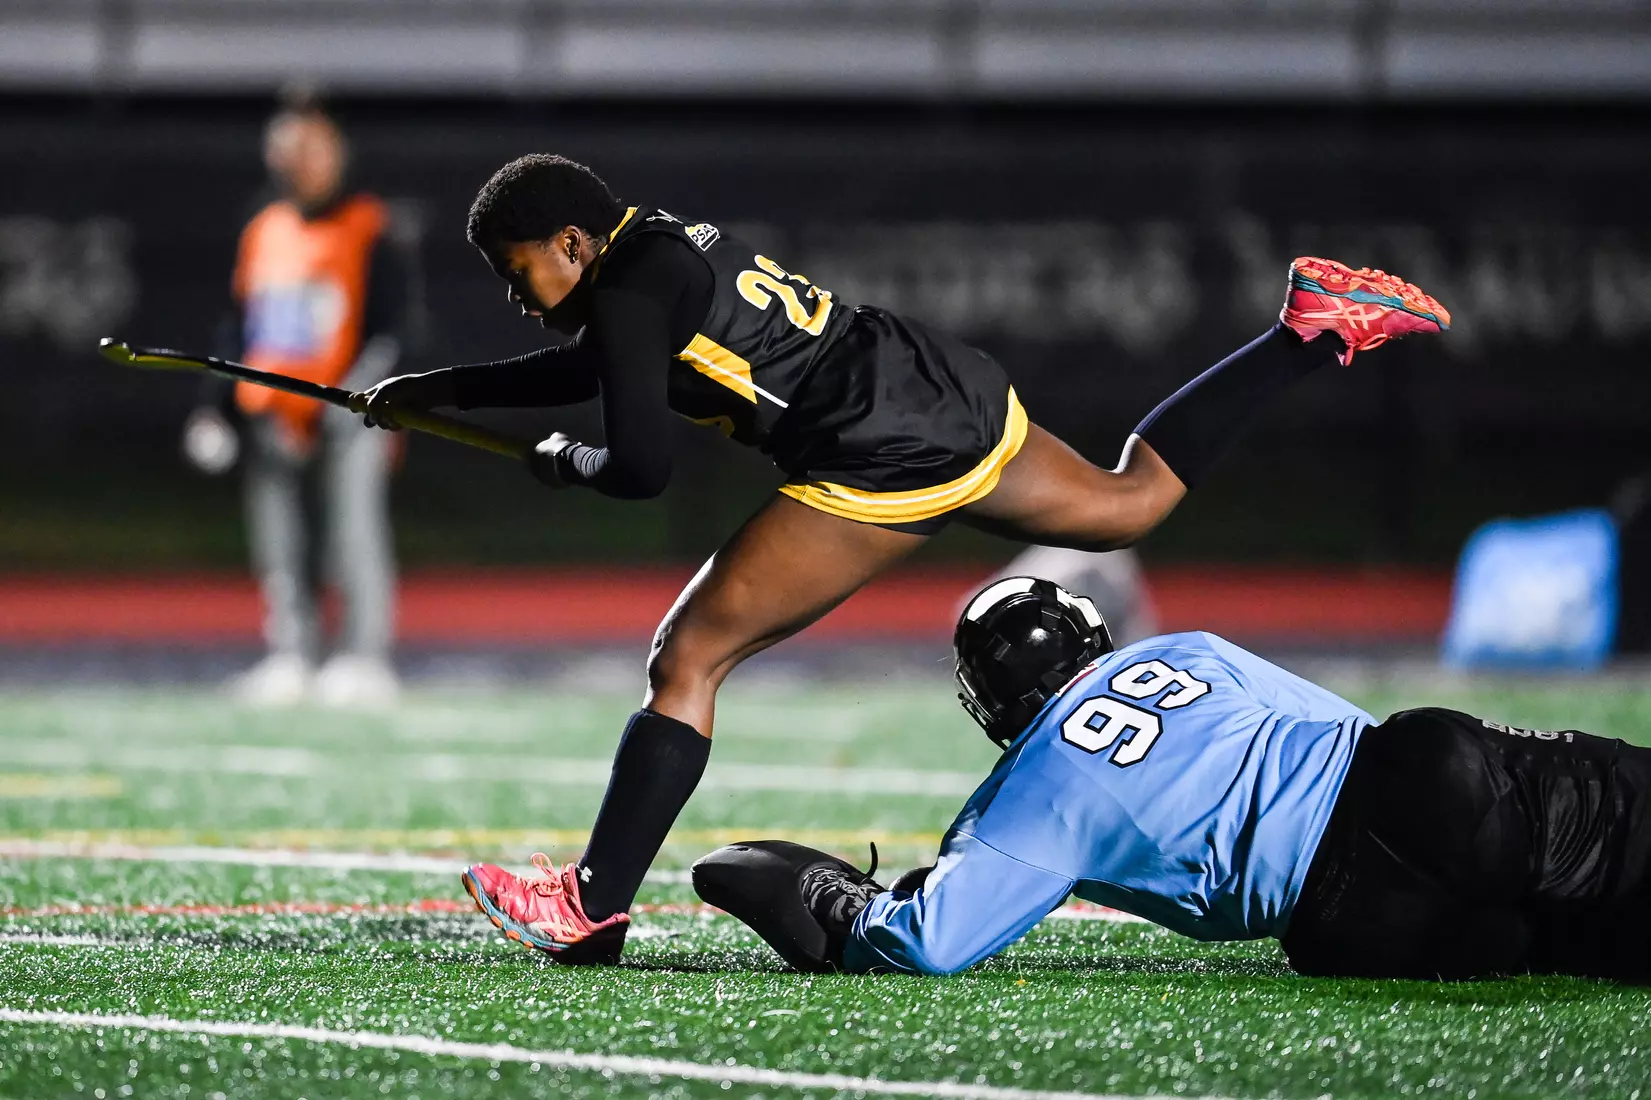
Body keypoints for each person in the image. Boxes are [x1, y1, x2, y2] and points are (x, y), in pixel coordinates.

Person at [360, 154, 1449, 964]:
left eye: (519, 273)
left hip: (879, 445)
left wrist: (561, 460)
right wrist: (436, 392)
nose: (517, 296)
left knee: (686, 656)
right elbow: (598, 362)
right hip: (932, 381)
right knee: (1128, 501)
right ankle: (1309, 328)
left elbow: (637, 463)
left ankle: (591, 904)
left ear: (573, 244)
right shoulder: (647, 252)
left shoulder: (631, 291)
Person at [693, 577, 1651, 983]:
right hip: (1416, 778)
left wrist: (836, 901)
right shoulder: (1182, 647)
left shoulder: (1022, 798)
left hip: (1340, 921)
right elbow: (1346, 733)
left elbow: (931, 945)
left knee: (1597, 948)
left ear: (990, 703)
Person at [182, 95, 415, 707]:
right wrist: (215, 406)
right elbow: (239, 326)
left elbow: (395, 328)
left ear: (337, 153)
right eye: (288, 151)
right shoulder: (264, 228)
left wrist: (357, 400)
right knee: (279, 541)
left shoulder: (370, 224)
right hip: (270, 414)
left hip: (345, 415)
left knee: (353, 534)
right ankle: (292, 653)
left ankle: (364, 656)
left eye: (312, 149)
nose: (300, 163)